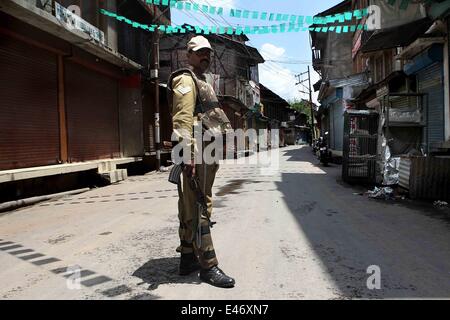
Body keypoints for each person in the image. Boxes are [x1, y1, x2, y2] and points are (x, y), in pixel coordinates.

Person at [168, 35, 235, 288]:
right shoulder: (186, 79)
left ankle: (187, 258)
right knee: (199, 205)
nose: (205, 56)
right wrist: (188, 155)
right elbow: (183, 119)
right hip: (195, 152)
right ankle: (208, 265)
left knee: (190, 204)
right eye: (200, 52)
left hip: (204, 151)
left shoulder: (202, 80)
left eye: (208, 52)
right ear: (189, 55)